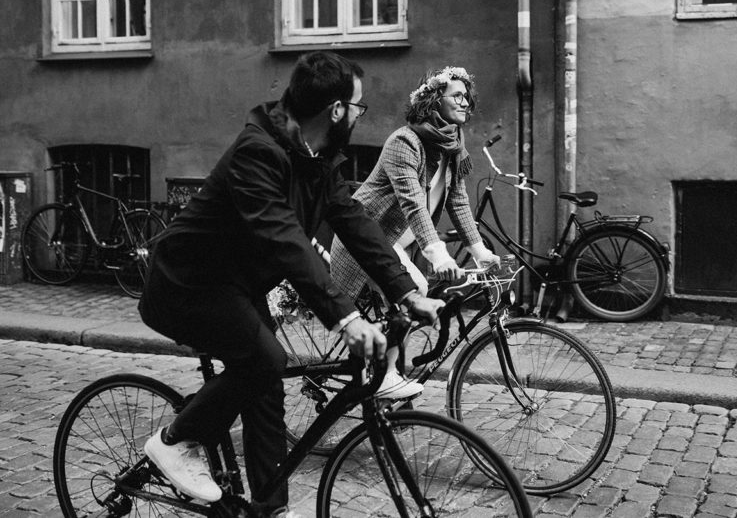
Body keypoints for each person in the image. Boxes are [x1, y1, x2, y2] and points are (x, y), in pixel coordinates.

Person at [138, 51, 438, 518]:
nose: (359, 116)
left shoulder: (317, 157)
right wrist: (347, 318)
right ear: (335, 111)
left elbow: (354, 221)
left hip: (237, 285)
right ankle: (175, 441)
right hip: (187, 284)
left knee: (267, 387)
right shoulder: (258, 152)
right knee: (264, 360)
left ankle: (269, 508)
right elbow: (286, 241)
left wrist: (406, 290)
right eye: (358, 107)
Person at [330, 66, 500, 398]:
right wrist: (437, 253)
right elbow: (412, 202)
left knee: (408, 308)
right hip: (368, 238)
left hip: (401, 245)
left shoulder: (452, 146)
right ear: (434, 101)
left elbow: (459, 202)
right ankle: (385, 376)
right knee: (415, 287)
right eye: (457, 96)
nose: (466, 102)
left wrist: (480, 252)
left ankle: (383, 362)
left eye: (468, 96)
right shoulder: (404, 141)